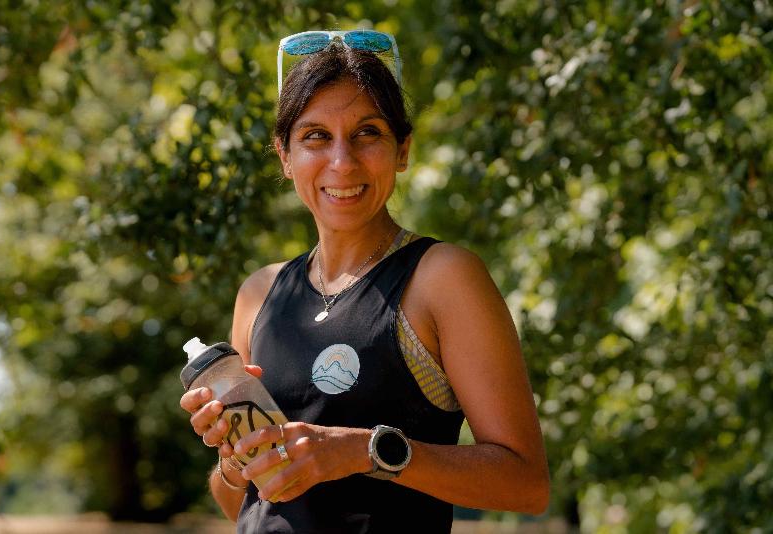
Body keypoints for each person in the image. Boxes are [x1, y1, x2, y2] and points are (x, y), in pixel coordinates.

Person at [179, 29, 549, 533]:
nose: (342, 161)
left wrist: (362, 451)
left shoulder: (441, 277)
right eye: (315, 137)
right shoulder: (260, 294)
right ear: (285, 156)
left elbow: (525, 483)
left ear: (403, 149)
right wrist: (233, 454)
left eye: (368, 132)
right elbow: (244, 504)